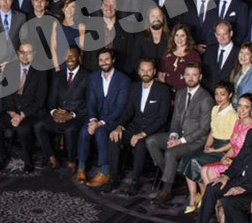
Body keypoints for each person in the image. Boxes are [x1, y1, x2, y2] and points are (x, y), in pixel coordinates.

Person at [147, 63, 214, 204]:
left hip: (195, 141)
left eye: (194, 75)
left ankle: (166, 191)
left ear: (200, 77)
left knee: (170, 153)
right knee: (151, 141)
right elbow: (176, 118)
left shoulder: (206, 98)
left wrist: (180, 141)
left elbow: (204, 129)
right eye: (188, 74)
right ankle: (169, 173)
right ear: (184, 76)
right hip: (180, 135)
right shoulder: (180, 93)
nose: (191, 78)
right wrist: (173, 135)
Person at [106, 59, 172, 195]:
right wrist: (119, 127)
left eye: (149, 70)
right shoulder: (134, 87)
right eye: (143, 70)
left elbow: (162, 119)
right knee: (114, 138)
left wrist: (143, 134)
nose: (145, 73)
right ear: (138, 72)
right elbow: (128, 112)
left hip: (152, 131)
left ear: (154, 71)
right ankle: (113, 179)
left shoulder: (163, 90)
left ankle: (135, 182)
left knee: (141, 144)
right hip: (134, 128)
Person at [178, 81, 238, 213]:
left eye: (222, 94)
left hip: (224, 150)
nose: (218, 97)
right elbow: (212, 131)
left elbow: (233, 143)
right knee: (186, 158)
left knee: (195, 161)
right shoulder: (215, 109)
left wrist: (215, 150)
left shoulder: (233, 115)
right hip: (213, 146)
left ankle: (203, 197)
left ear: (230, 95)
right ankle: (194, 195)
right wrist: (207, 146)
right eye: (216, 94)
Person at [0, 41, 47, 173]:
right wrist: (13, 114)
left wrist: (22, 116)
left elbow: (40, 100)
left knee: (23, 129)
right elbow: (6, 93)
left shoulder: (41, 71)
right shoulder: (10, 68)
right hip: (12, 109)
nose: (25, 56)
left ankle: (28, 162)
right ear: (17, 53)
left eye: (29, 53)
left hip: (31, 112)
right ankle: (2, 158)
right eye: (22, 52)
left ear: (34, 54)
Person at [200, 94, 252, 223]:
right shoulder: (238, 123)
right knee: (204, 170)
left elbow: (250, 156)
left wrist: (233, 162)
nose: (241, 110)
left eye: (246, 107)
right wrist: (226, 156)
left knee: (208, 171)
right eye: (240, 106)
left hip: (241, 166)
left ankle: (218, 203)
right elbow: (233, 145)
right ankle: (217, 203)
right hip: (232, 160)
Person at [77, 49, 131, 187]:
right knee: (84, 131)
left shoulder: (123, 80)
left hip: (114, 119)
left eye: (107, 59)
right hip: (97, 117)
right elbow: (90, 102)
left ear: (113, 60)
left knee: (100, 132)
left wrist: (100, 123)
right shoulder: (93, 77)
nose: (104, 62)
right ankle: (81, 168)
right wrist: (93, 120)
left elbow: (121, 108)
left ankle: (104, 172)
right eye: (101, 60)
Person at [34, 46, 88, 169]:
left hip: (77, 116)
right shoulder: (58, 75)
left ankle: (71, 161)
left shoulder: (87, 76)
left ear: (79, 58)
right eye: (67, 56)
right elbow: (51, 99)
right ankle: (51, 157)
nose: (69, 59)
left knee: (70, 129)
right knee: (38, 125)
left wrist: (71, 115)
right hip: (59, 114)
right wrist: (54, 112)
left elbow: (90, 103)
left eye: (72, 56)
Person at [158, 23, 202, 96]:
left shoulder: (194, 55)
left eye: (182, 35)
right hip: (167, 94)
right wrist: (165, 93)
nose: (179, 39)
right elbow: (161, 75)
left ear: (187, 37)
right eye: (177, 35)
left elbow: (197, 78)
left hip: (185, 95)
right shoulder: (167, 53)